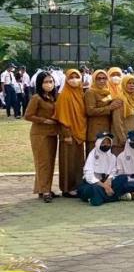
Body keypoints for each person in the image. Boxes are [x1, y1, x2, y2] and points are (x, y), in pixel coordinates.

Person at [24, 71, 60, 202]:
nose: (49, 84)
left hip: (52, 134)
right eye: (46, 82)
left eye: (51, 81)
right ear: (40, 83)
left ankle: (44, 188)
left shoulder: (54, 97)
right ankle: (45, 191)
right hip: (40, 134)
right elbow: (28, 116)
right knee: (42, 162)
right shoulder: (36, 98)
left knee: (50, 163)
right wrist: (44, 120)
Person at [55, 68, 88, 198]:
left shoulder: (80, 94)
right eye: (71, 77)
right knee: (68, 161)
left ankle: (77, 186)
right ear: (67, 79)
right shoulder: (64, 95)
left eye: (77, 76)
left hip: (79, 132)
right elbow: (62, 117)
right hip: (69, 134)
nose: (74, 80)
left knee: (78, 161)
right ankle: (67, 188)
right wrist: (66, 134)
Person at [77, 132, 129, 206]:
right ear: (98, 143)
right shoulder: (92, 155)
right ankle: (114, 197)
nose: (106, 145)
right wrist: (105, 186)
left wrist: (109, 180)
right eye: (103, 143)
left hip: (106, 183)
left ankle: (100, 198)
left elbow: (113, 171)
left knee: (123, 178)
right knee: (93, 189)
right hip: (94, 184)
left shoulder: (112, 156)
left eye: (108, 143)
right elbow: (89, 177)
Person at [84, 70, 122, 156]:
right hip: (95, 131)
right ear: (94, 79)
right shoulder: (90, 92)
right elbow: (90, 111)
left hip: (106, 129)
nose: (102, 81)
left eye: (104, 78)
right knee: (94, 158)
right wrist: (110, 107)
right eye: (99, 78)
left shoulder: (107, 91)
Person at [112, 74, 134, 154]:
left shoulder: (133, 99)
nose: (131, 85)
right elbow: (117, 121)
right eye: (129, 83)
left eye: (133, 83)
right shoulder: (120, 100)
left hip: (132, 137)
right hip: (121, 141)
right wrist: (123, 139)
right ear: (124, 84)